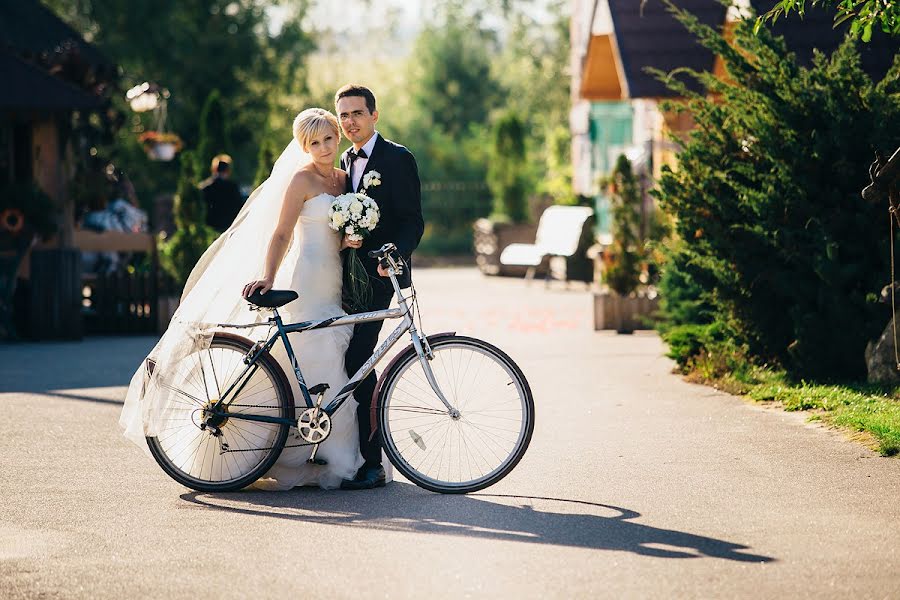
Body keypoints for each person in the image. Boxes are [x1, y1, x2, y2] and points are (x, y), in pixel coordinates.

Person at [119, 109, 362, 489]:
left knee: (331, 355)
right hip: (307, 276)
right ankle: (280, 451)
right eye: (313, 143)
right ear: (303, 147)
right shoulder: (300, 180)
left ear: (338, 136)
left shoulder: (345, 179)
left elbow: (343, 230)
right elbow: (281, 233)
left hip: (334, 278)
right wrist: (268, 275)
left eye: (328, 139)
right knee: (311, 352)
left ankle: (322, 447)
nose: (323, 147)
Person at [335, 84, 424, 490]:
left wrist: (397, 254)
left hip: (378, 276)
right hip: (341, 275)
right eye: (344, 116)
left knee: (360, 359)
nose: (349, 121)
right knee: (341, 357)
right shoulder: (343, 160)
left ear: (375, 115)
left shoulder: (397, 158)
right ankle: (347, 452)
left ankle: (372, 462)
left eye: (356, 113)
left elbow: (412, 220)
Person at [200, 154, 244, 233]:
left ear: (214, 169)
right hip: (229, 227)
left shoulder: (204, 188)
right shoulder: (233, 187)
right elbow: (239, 207)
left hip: (210, 228)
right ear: (228, 170)